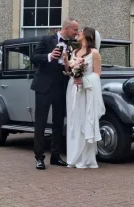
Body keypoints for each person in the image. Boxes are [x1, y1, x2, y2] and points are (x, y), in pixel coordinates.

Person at [30, 17, 79, 170]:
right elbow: (34, 58)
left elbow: (70, 66)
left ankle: (56, 156)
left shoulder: (71, 45)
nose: (76, 33)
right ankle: (39, 157)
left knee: (58, 123)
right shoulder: (46, 39)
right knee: (41, 123)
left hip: (61, 87)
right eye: (75, 30)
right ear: (66, 29)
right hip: (44, 87)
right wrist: (49, 56)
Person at [62, 27, 105, 169]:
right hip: (73, 89)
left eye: (81, 31)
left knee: (84, 120)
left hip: (86, 91)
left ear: (88, 35)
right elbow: (69, 71)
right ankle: (73, 156)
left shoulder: (94, 53)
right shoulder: (74, 52)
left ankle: (85, 159)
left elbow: (97, 73)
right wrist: (67, 64)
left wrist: (84, 80)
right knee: (74, 121)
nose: (78, 33)